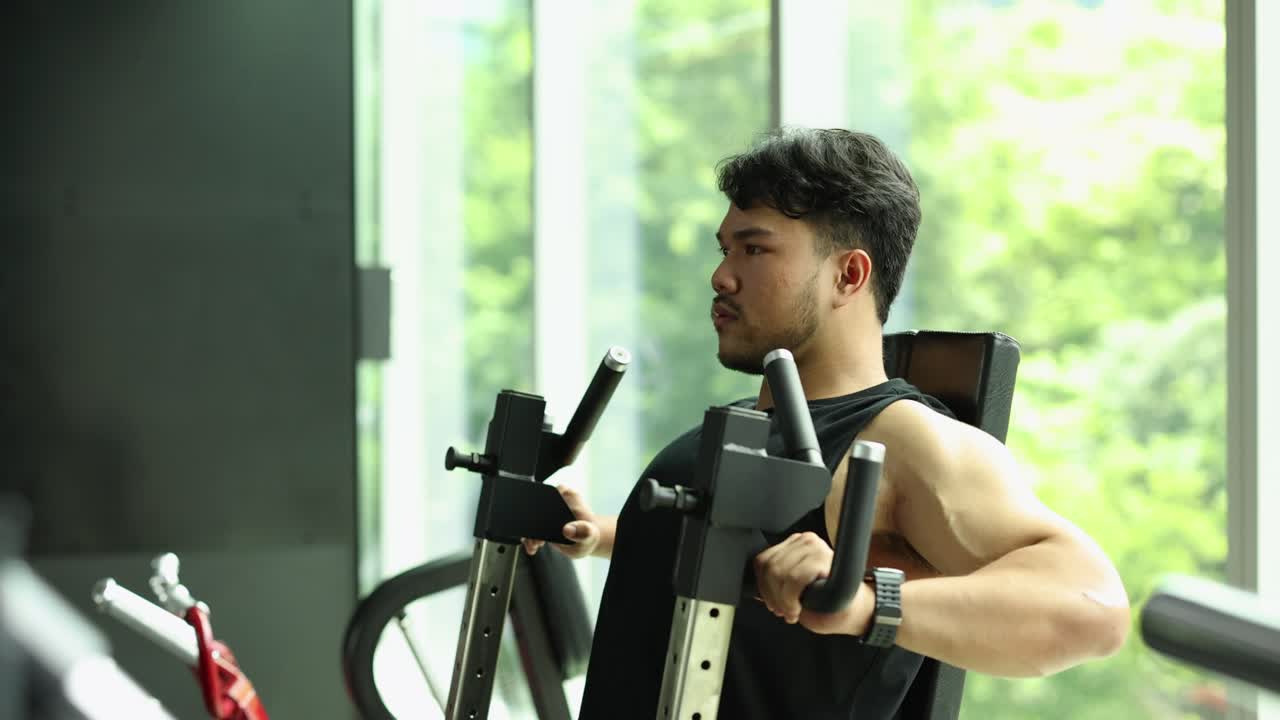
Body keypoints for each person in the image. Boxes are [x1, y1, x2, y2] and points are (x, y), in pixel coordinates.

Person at [524, 127, 1130, 719]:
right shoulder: (750, 421)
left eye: (754, 249)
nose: (721, 276)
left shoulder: (899, 437)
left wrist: (870, 606)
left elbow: (1093, 609)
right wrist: (599, 530)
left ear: (849, 275)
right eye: (724, 248)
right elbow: (743, 558)